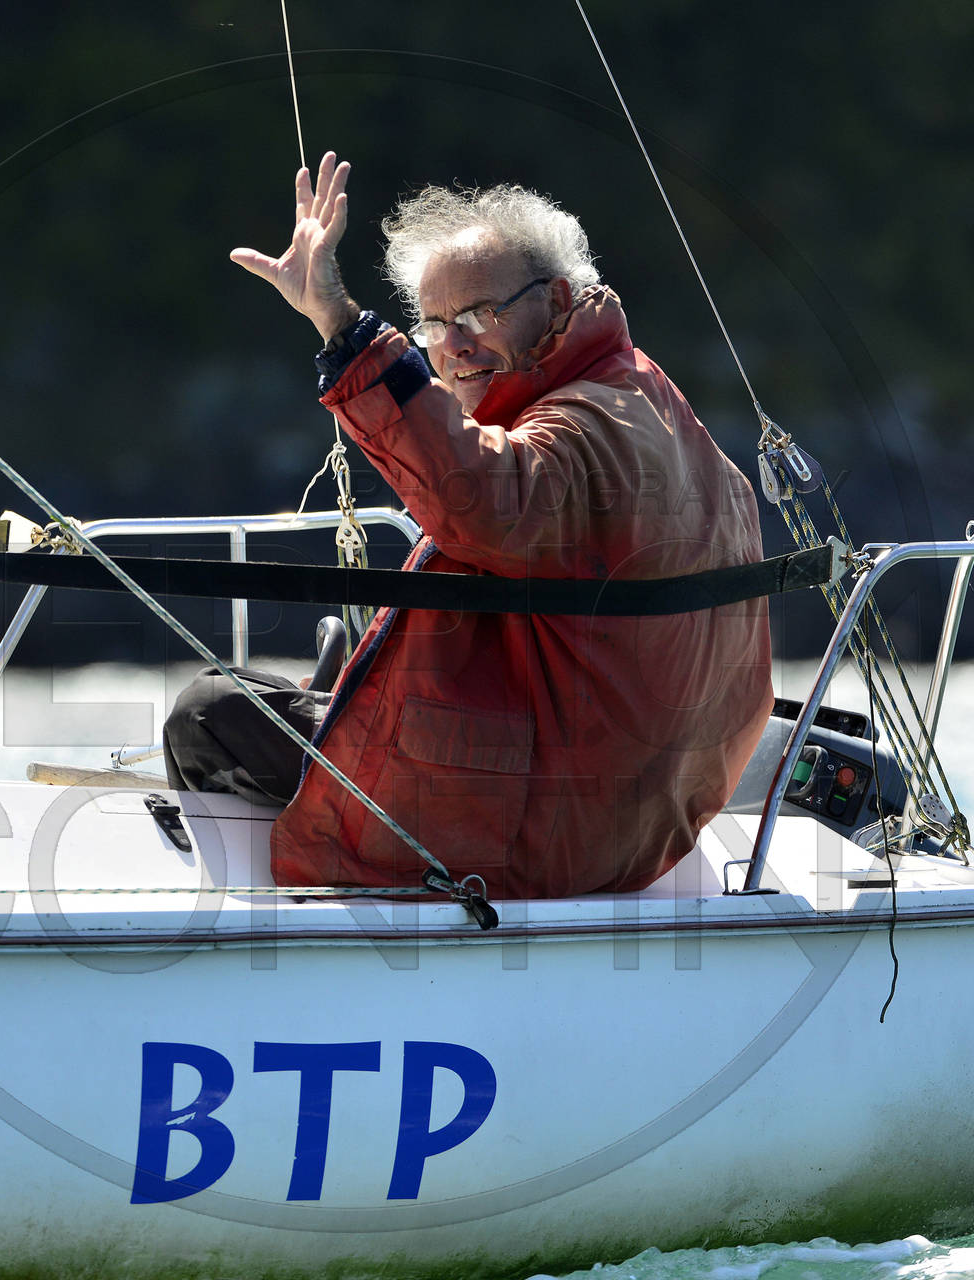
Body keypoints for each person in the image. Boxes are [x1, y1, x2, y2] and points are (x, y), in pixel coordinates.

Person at [163, 152, 772, 899]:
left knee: (212, 712)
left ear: (555, 300)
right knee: (323, 670)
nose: (453, 345)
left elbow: (484, 497)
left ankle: (283, 915)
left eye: (480, 314)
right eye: (435, 325)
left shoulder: (582, 426)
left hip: (540, 821)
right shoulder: (646, 399)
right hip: (646, 818)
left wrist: (342, 327)